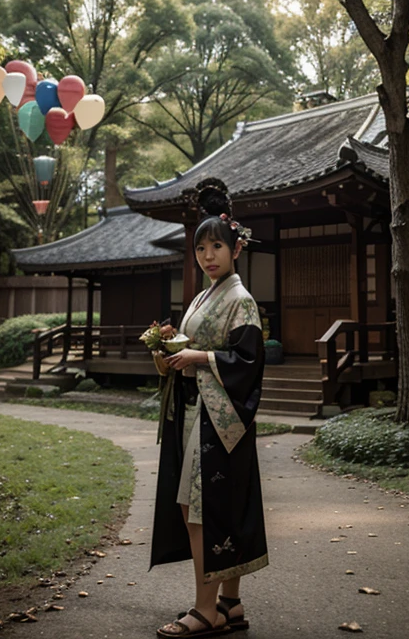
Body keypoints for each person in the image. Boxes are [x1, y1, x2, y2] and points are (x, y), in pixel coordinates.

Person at [151, 178, 268, 638]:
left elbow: (248, 361)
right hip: (200, 414)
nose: (208, 256)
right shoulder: (203, 296)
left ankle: (206, 611)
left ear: (236, 248)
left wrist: (199, 358)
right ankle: (229, 604)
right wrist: (168, 356)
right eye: (201, 249)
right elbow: (195, 350)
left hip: (219, 420)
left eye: (217, 246)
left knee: (203, 510)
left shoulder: (241, 299)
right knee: (206, 507)